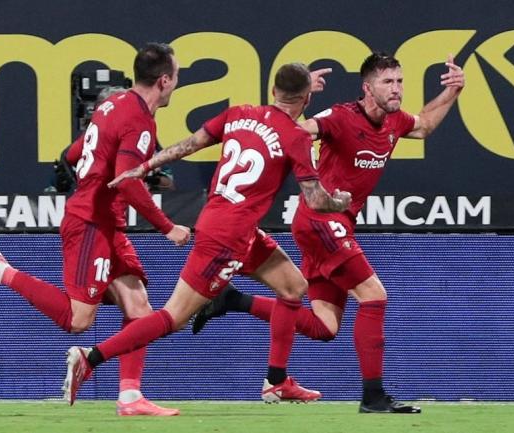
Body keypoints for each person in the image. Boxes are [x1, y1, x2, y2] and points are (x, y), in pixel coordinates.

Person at [190, 52, 466, 414]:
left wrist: (453, 92)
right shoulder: (338, 117)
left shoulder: (396, 121)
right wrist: (305, 99)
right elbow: (296, 131)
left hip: (331, 226)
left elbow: (426, 124)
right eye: (388, 82)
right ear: (367, 88)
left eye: (399, 81)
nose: (396, 88)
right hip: (321, 221)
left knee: (324, 327)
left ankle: (233, 300)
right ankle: (373, 397)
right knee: (374, 297)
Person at [63, 62, 352, 406]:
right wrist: (338, 202)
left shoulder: (239, 113)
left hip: (233, 227)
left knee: (293, 286)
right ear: (306, 100)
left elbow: (189, 144)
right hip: (227, 239)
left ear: (273, 91)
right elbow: (316, 200)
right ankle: (90, 358)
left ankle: (275, 381)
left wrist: (145, 166)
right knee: (173, 317)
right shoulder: (298, 137)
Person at [0, 42, 191, 416]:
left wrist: (90, 178)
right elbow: (127, 181)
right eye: (177, 76)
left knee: (138, 305)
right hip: (91, 223)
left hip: (106, 223)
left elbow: (74, 153)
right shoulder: (139, 120)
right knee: (78, 320)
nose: (177, 83)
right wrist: (167, 227)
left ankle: (130, 397)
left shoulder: (112, 105)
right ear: (164, 80)